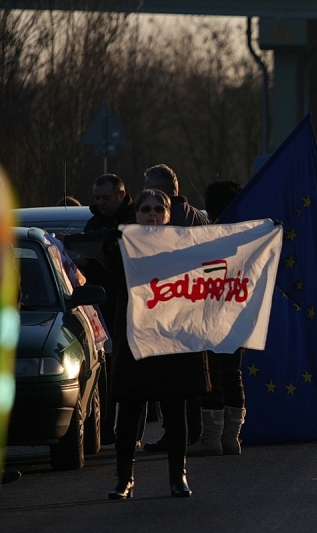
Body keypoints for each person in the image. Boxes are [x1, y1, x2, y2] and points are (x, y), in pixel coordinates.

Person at [98, 189, 210, 499]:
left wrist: (264, 231)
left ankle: (178, 476)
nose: (152, 214)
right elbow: (107, 264)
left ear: (168, 215)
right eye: (146, 209)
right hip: (135, 339)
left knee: (175, 411)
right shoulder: (124, 245)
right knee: (130, 410)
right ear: (136, 215)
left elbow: (219, 251)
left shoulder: (183, 246)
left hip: (172, 337)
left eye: (158, 209)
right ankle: (124, 479)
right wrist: (111, 243)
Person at [59, 173, 136, 444]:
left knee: (129, 372)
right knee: (106, 368)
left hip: (128, 305)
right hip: (99, 305)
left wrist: (74, 244)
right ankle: (107, 429)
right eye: (97, 198)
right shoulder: (94, 221)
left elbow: (108, 243)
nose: (101, 203)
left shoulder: (133, 218)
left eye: (106, 197)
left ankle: (131, 433)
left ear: (121, 195)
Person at [141, 164, 208, 452]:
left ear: (163, 191)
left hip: (174, 306)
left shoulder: (171, 221)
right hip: (195, 306)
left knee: (174, 378)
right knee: (189, 374)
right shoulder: (199, 218)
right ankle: (192, 430)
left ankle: (179, 434)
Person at [186, 180, 247, 457]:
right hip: (239, 314)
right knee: (233, 373)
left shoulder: (208, 237)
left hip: (212, 315)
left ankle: (212, 438)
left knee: (213, 374)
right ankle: (231, 438)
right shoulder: (248, 236)